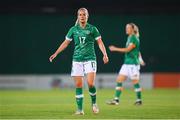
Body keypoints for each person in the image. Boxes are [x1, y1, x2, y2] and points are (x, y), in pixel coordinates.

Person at [49, 8, 109, 115]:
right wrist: (56, 53)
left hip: (90, 58)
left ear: (87, 16)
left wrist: (104, 54)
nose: (82, 16)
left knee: (90, 84)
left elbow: (100, 42)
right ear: (77, 16)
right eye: (80, 14)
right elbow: (65, 43)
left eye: (84, 14)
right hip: (77, 60)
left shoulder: (93, 29)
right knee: (78, 85)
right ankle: (80, 110)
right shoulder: (73, 29)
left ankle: (94, 103)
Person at [107, 23, 145, 106]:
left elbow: (128, 50)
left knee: (135, 82)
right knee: (119, 80)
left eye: (128, 28)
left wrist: (115, 49)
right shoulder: (129, 37)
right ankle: (116, 100)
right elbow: (138, 51)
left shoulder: (134, 38)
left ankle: (139, 100)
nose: (126, 29)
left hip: (133, 64)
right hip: (126, 63)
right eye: (126, 27)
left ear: (132, 29)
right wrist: (141, 59)